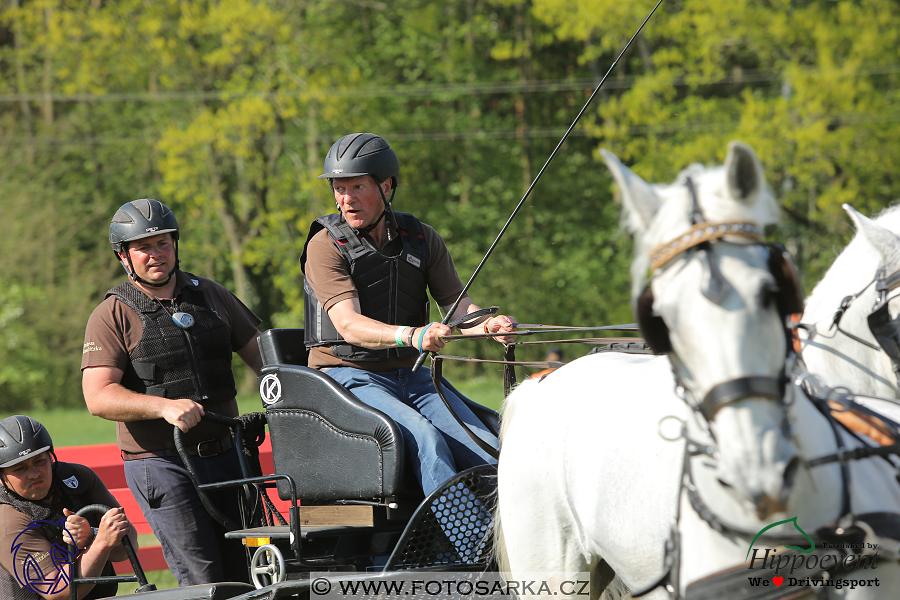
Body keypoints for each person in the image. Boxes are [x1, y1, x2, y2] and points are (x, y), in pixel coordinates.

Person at [300, 132, 517, 497]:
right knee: (427, 441)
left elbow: (457, 305)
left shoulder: (421, 238)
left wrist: (488, 325)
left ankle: (504, 546)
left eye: (357, 187)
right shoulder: (324, 246)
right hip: (350, 377)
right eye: (339, 188)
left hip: (413, 376)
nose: (346, 200)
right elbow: (348, 325)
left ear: (386, 186)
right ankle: (468, 548)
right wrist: (413, 335)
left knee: (486, 446)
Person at [81, 199, 263, 586]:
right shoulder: (112, 314)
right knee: (203, 578)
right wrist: (163, 407)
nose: (156, 254)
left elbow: (268, 361)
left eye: (163, 243)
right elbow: (98, 396)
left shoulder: (212, 295)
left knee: (250, 571)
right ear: (124, 256)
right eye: (144, 247)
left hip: (229, 456)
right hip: (161, 464)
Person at [0, 415, 137, 600]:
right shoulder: (7, 519)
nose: (34, 474)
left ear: (51, 457)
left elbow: (128, 548)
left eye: (39, 461)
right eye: (19, 469)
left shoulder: (78, 478)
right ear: (3, 476)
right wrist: (101, 542)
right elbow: (59, 591)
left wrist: (92, 535)